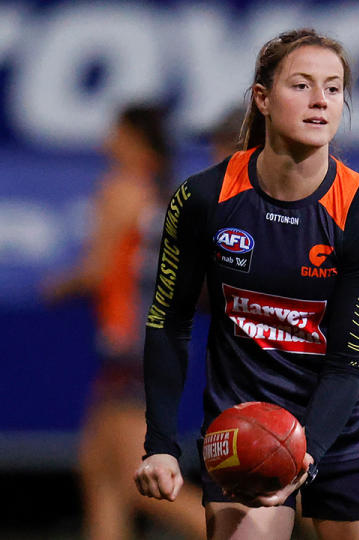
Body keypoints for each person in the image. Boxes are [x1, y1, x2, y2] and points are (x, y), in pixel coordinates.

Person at [133, 29, 359, 540]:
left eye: (333, 89)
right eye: (301, 85)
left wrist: (305, 457)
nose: (319, 101)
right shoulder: (202, 200)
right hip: (246, 424)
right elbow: (168, 322)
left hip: (348, 427)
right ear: (262, 98)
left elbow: (348, 362)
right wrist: (159, 444)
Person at [43, 105, 206, 540]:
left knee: (143, 484)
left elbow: (96, 270)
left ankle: (243, 534)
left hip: (131, 345)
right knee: (99, 475)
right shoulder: (159, 195)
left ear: (133, 138)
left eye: (114, 131)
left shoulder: (121, 190)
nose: (105, 140)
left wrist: (56, 287)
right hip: (146, 345)